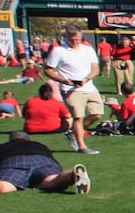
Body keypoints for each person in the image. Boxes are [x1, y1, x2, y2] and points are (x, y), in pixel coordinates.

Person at [43, 24, 103, 156]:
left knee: (97, 114)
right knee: (78, 117)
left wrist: (87, 79)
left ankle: (73, 133)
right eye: (71, 39)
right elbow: (47, 70)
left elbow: (95, 69)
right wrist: (63, 80)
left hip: (89, 86)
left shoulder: (88, 50)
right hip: (70, 89)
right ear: (66, 37)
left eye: (77, 39)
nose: (75, 41)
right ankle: (82, 147)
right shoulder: (59, 51)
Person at [0, 132, 90, 194]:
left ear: (11, 140)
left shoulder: (3, 146)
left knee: (6, 184)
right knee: (52, 179)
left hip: (14, 162)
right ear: (27, 139)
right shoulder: (39, 145)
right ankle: (71, 175)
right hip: (43, 160)